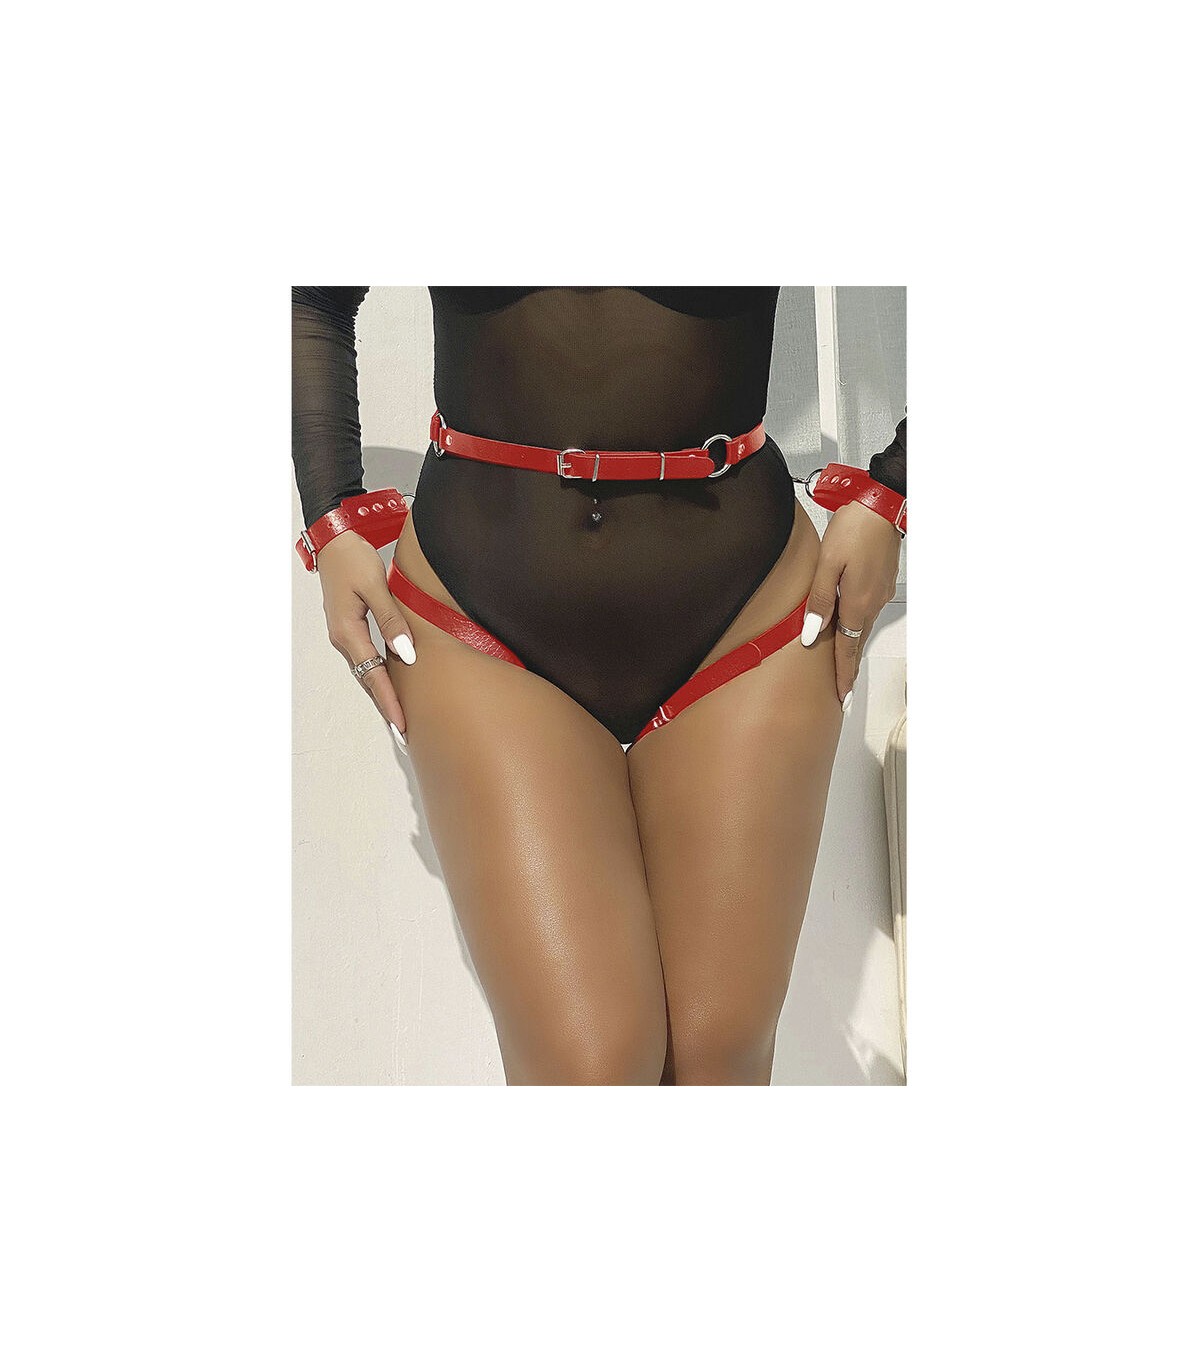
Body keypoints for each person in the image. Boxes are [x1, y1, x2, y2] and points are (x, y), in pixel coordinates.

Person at [292, 286, 906, 1086]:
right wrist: (330, 519)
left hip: (749, 609)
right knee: (589, 1066)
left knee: (717, 1059)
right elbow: (315, 296)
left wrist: (894, 493)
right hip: (475, 614)